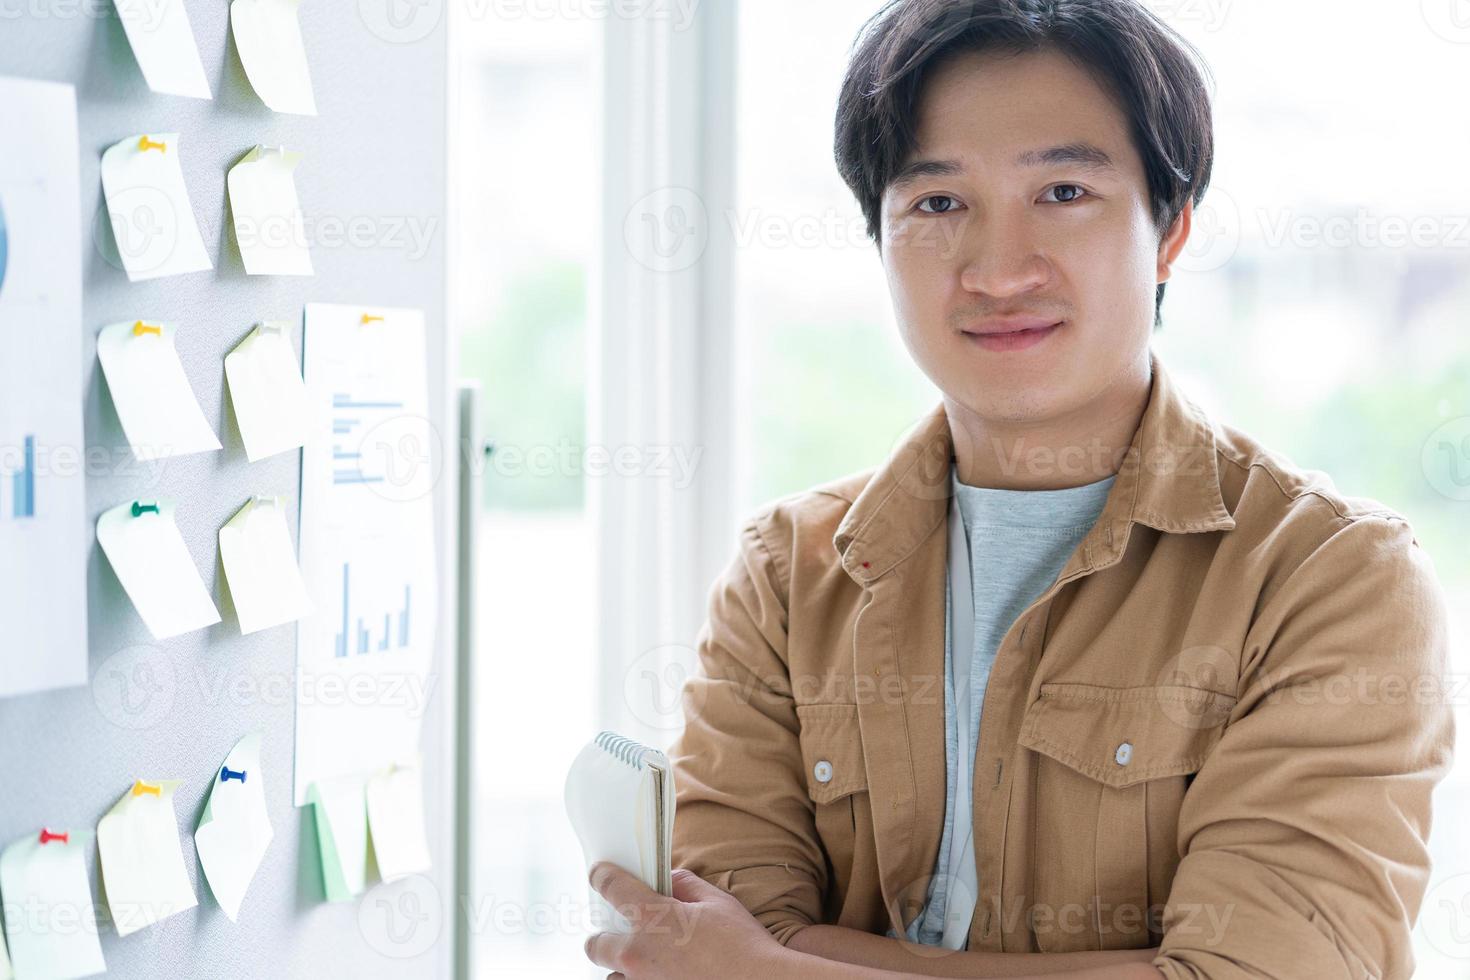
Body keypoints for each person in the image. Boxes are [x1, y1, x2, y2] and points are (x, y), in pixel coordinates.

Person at [583, 1, 1455, 977]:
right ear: (880, 236)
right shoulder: (786, 577)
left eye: (1065, 190)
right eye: (939, 203)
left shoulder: (1326, 577)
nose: (999, 270)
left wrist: (778, 965)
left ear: (1170, 232)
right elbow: (704, 938)